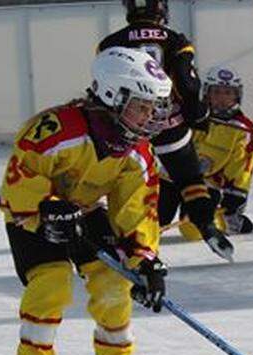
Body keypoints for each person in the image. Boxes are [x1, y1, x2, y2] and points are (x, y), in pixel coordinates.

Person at [0, 46, 173, 355]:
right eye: (142, 106)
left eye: (153, 107)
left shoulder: (136, 150)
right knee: (52, 283)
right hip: (32, 215)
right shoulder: (55, 129)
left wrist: (144, 258)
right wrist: (45, 207)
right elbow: (16, 183)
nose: (151, 116)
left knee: (115, 279)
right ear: (112, 96)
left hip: (88, 210)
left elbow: (136, 208)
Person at [97, 0, 234, 262]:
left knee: (125, 182)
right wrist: (198, 111)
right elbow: (187, 83)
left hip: (129, 124)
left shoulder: (110, 42)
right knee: (190, 178)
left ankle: (119, 235)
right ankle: (206, 224)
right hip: (168, 121)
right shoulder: (176, 40)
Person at [160, 65, 253, 237]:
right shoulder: (192, 116)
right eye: (217, 92)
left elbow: (243, 165)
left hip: (206, 185)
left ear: (237, 95)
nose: (222, 98)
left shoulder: (243, 128)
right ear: (206, 93)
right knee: (155, 221)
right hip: (171, 177)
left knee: (194, 231)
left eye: (228, 93)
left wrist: (235, 195)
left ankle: (234, 222)